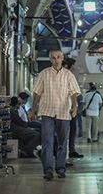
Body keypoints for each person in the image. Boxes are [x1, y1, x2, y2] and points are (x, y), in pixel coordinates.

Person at [30, 50, 80, 180]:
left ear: (62, 58)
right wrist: (33, 109)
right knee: (47, 141)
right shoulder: (44, 74)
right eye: (53, 58)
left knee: (62, 142)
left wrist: (74, 106)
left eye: (58, 57)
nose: (56, 60)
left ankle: (61, 168)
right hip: (47, 112)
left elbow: (74, 92)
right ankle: (48, 170)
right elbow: (37, 92)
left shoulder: (69, 75)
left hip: (64, 112)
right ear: (50, 59)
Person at [62, 57, 84, 159]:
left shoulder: (70, 77)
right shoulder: (64, 77)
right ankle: (64, 154)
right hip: (65, 109)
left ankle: (71, 150)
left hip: (72, 109)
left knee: (72, 130)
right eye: (73, 68)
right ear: (67, 67)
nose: (74, 70)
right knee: (65, 132)